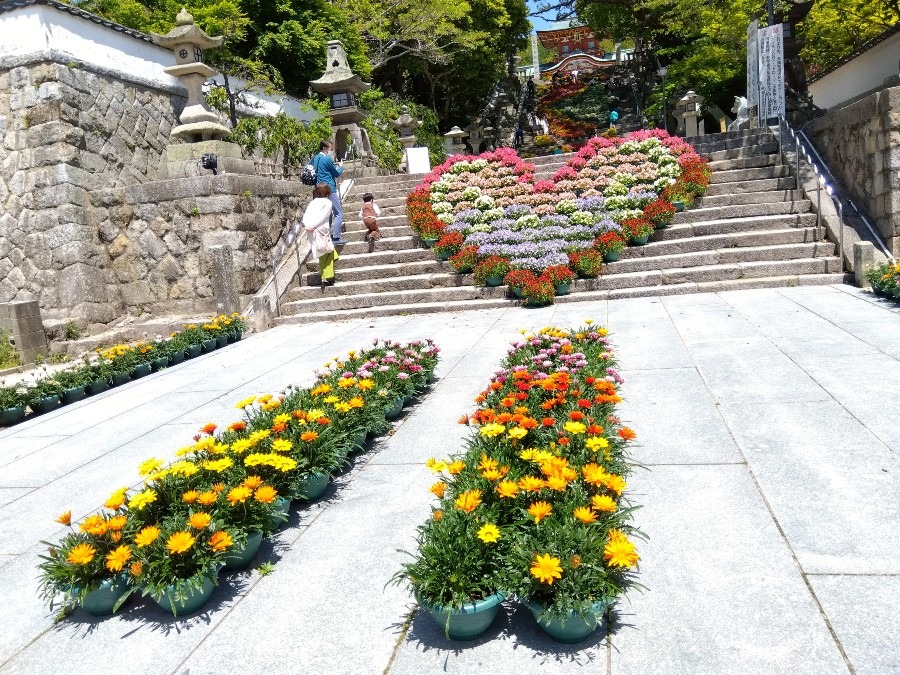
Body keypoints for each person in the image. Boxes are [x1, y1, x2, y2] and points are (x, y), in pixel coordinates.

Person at [303, 183, 339, 286]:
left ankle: (332, 261)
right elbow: (323, 216)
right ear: (328, 192)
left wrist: (308, 225)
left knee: (323, 252)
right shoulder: (327, 202)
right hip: (321, 230)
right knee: (326, 254)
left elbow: (306, 215)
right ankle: (326, 278)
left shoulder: (312, 202)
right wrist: (313, 225)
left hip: (311, 230)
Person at [313, 140, 346, 245]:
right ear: (325, 148)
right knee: (338, 213)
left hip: (319, 190)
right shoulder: (327, 159)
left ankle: (327, 238)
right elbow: (336, 173)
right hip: (329, 189)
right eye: (330, 149)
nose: (331, 151)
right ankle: (336, 238)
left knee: (327, 215)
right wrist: (341, 167)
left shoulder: (316, 158)